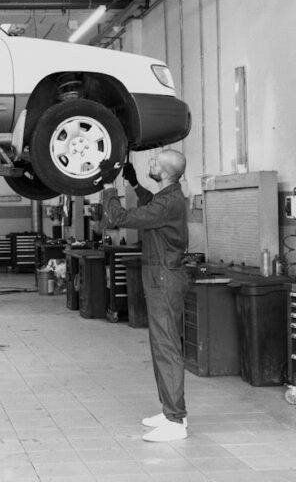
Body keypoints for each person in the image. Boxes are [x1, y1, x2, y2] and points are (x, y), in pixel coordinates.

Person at [101, 149, 190, 442]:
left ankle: (175, 421)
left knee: (166, 347)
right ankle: (170, 411)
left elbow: (118, 216)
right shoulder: (168, 198)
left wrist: (108, 186)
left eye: (154, 162)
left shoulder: (169, 203)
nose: (149, 162)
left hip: (164, 277)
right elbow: (151, 204)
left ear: (165, 172)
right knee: (160, 345)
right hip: (160, 275)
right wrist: (134, 183)